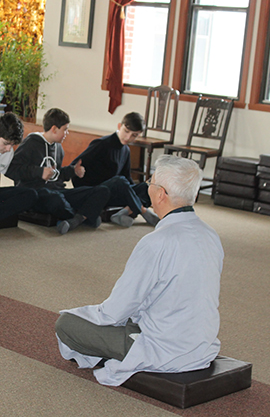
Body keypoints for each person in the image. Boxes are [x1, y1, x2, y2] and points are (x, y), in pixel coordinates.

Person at [55, 155, 223, 386]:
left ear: (161, 193)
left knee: (66, 324)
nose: (148, 188)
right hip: (200, 343)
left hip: (163, 347)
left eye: (151, 183)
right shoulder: (211, 235)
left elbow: (116, 310)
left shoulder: (156, 242)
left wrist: (82, 312)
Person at [5, 108, 110, 234]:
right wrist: (39, 172)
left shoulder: (59, 148)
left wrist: (73, 171)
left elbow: (57, 175)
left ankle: (77, 218)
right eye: (65, 129)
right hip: (37, 193)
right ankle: (84, 215)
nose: (67, 133)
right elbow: (11, 169)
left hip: (58, 191)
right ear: (54, 129)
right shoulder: (31, 143)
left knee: (102, 190)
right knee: (55, 199)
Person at [70, 112, 159, 227]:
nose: (128, 137)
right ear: (119, 126)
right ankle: (143, 211)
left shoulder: (126, 150)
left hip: (114, 192)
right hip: (95, 193)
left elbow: (127, 178)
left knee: (148, 187)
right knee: (119, 180)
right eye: (126, 131)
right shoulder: (101, 144)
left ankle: (124, 212)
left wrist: (135, 192)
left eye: (134, 135)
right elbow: (74, 166)